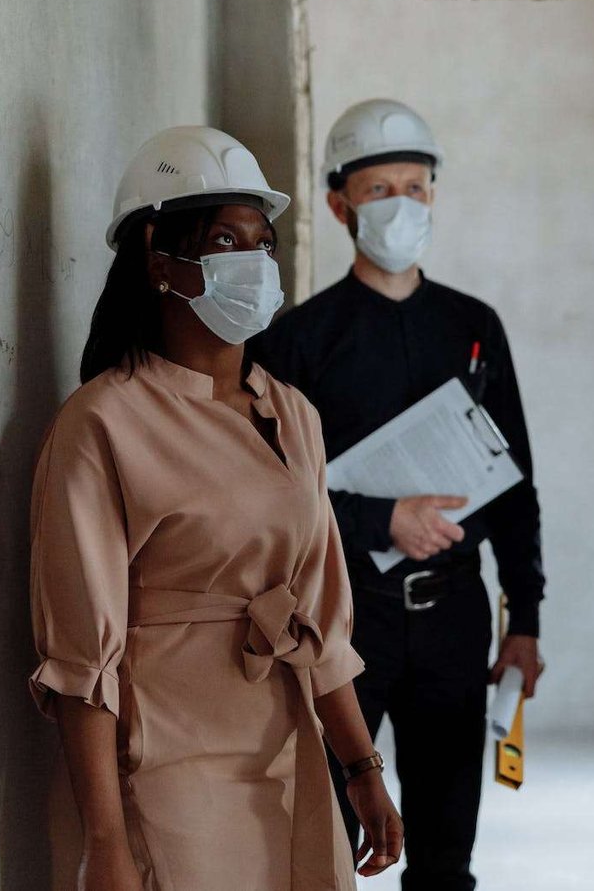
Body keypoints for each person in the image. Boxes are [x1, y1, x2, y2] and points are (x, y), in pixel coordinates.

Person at [29, 126, 402, 890]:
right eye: (227, 241)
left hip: (289, 750)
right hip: (168, 764)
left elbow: (320, 618)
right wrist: (105, 842)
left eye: (263, 243)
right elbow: (80, 662)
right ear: (159, 260)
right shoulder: (103, 422)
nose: (256, 264)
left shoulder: (292, 412)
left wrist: (361, 766)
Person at [249, 99, 545, 891]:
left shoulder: (472, 325)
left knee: (447, 853)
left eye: (416, 186)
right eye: (380, 190)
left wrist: (527, 619)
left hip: (456, 614)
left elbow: (515, 481)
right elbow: (270, 493)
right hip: (345, 617)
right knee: (327, 838)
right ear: (340, 204)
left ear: (434, 195)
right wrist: (382, 519)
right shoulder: (295, 341)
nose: (401, 205)